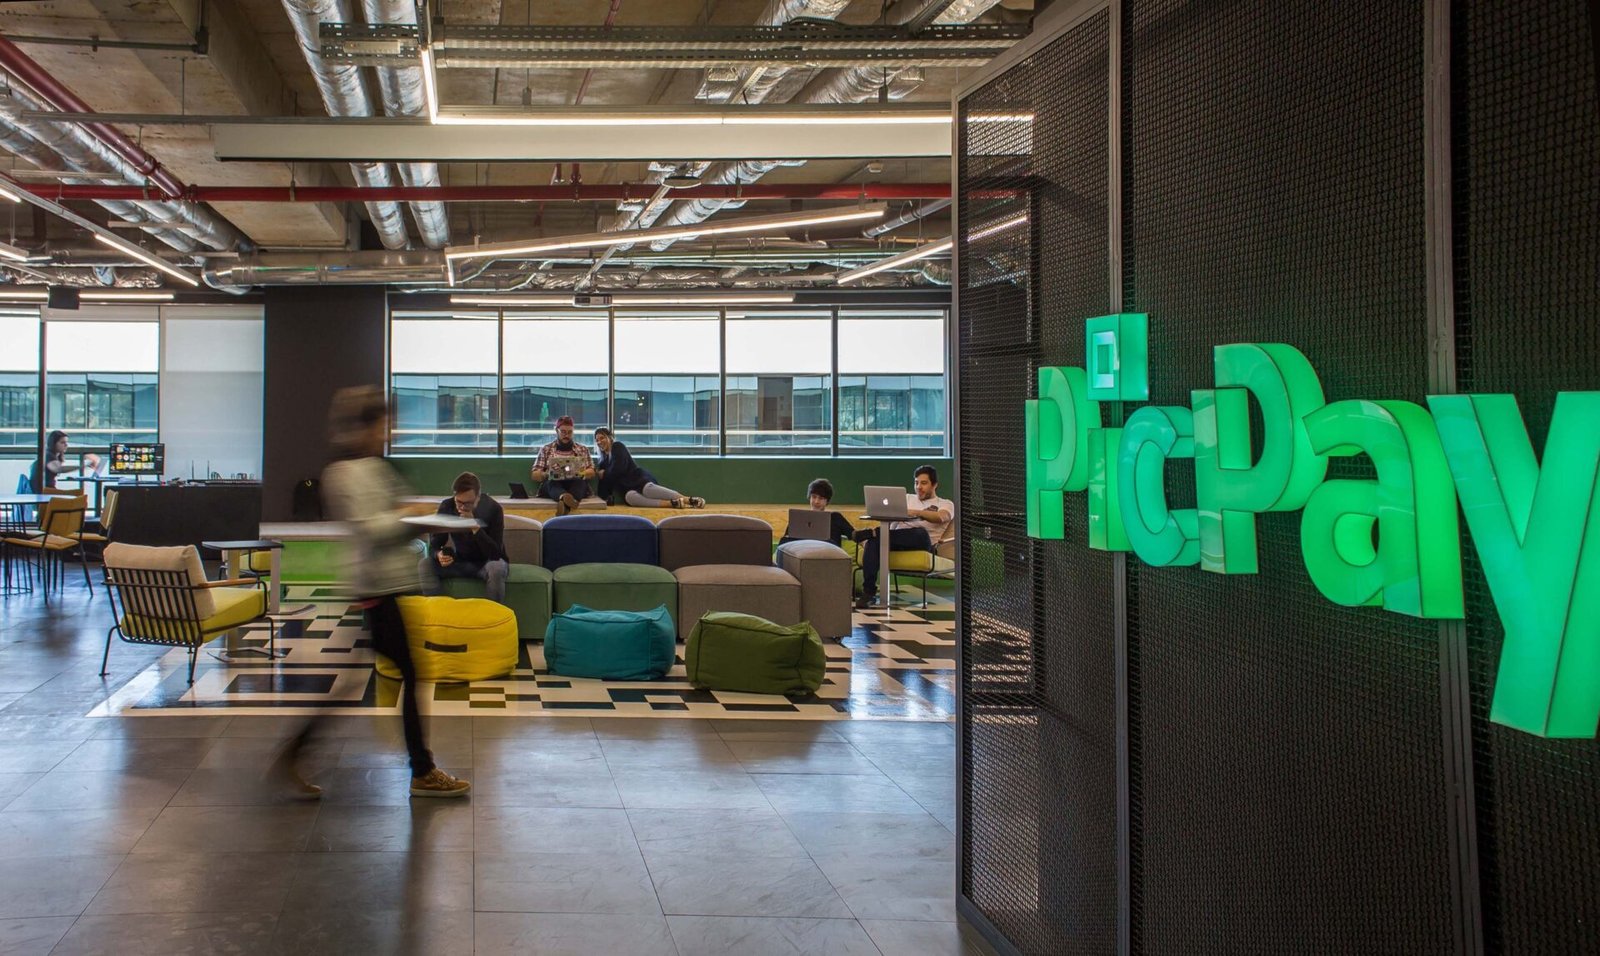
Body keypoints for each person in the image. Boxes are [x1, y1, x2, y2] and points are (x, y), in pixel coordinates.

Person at [289, 385, 470, 799]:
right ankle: (422, 770)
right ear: (365, 426)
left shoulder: (373, 467)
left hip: (386, 586)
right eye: (383, 424)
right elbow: (371, 529)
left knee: (357, 681)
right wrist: (410, 518)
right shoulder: (343, 473)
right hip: (375, 588)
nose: (387, 432)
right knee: (409, 672)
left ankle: (296, 753)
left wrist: (408, 517)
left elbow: (387, 518)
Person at [854, 464, 954, 609]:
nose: (919, 487)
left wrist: (916, 513)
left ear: (935, 485)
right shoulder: (906, 498)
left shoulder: (945, 503)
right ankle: (868, 593)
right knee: (873, 542)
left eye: (924, 483)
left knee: (920, 532)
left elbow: (941, 517)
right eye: (916, 482)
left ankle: (873, 533)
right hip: (896, 540)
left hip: (923, 544)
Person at [418, 471, 509, 603]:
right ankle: (439, 610)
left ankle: (492, 613)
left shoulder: (493, 509)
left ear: (478, 497)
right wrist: (439, 555)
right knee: (425, 564)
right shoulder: (447, 506)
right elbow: (434, 546)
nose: (462, 507)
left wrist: (475, 527)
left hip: (487, 563)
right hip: (461, 561)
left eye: (468, 503)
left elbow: (495, 553)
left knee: (497, 568)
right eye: (459, 502)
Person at [593, 427, 705, 509]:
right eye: (597, 440)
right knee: (630, 498)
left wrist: (604, 474)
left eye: (602, 438)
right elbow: (604, 482)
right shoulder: (603, 462)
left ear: (610, 438)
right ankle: (672, 503)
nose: (599, 442)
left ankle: (688, 499)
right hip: (626, 488)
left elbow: (618, 469)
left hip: (637, 479)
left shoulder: (617, 446)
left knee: (647, 490)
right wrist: (603, 498)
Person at [531, 415, 596, 515]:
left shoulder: (582, 449)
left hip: (574, 482)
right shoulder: (546, 449)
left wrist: (580, 473)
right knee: (551, 482)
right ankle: (566, 498)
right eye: (563, 432)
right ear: (556, 431)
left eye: (570, 432)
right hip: (554, 483)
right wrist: (547, 474)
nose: (566, 435)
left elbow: (592, 472)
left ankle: (564, 503)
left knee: (580, 482)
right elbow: (535, 475)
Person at [779, 478, 854, 546]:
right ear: (809, 498)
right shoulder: (798, 518)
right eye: (814, 497)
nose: (816, 501)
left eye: (821, 498)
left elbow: (853, 535)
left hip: (829, 553)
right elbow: (784, 542)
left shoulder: (835, 518)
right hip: (804, 553)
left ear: (827, 501)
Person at [29, 430, 100, 492]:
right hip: (44, 493)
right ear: (53, 443)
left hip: (47, 492)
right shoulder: (48, 456)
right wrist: (82, 466)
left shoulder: (50, 455)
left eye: (66, 442)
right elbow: (58, 469)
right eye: (62, 442)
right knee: (78, 496)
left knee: (77, 495)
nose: (66, 445)